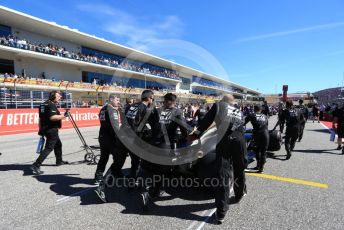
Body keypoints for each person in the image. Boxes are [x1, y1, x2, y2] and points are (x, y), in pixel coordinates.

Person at [190, 94, 247, 224]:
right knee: (239, 168)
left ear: (223, 101)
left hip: (225, 140)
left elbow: (205, 123)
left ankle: (221, 212)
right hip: (240, 140)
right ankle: (239, 194)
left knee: (223, 174)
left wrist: (195, 135)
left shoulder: (218, 105)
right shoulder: (238, 111)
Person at [140, 93, 189, 208]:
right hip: (165, 146)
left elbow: (149, 124)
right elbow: (184, 129)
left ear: (164, 100)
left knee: (154, 168)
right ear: (174, 101)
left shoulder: (157, 110)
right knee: (163, 170)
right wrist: (183, 137)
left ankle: (152, 188)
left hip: (153, 144)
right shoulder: (177, 112)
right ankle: (150, 192)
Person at [31, 91, 69, 175]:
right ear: (53, 97)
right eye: (58, 96)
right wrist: (64, 116)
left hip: (45, 128)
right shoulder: (51, 105)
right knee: (49, 147)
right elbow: (53, 117)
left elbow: (40, 119)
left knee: (58, 144)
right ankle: (36, 164)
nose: (60, 97)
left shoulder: (43, 104)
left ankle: (59, 161)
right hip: (51, 129)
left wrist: (40, 129)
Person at [244, 105, 269, 173]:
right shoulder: (265, 116)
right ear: (260, 109)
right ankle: (261, 168)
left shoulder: (251, 115)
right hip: (266, 134)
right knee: (264, 151)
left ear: (254, 109)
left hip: (257, 134)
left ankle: (258, 166)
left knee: (257, 149)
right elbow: (266, 125)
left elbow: (243, 122)